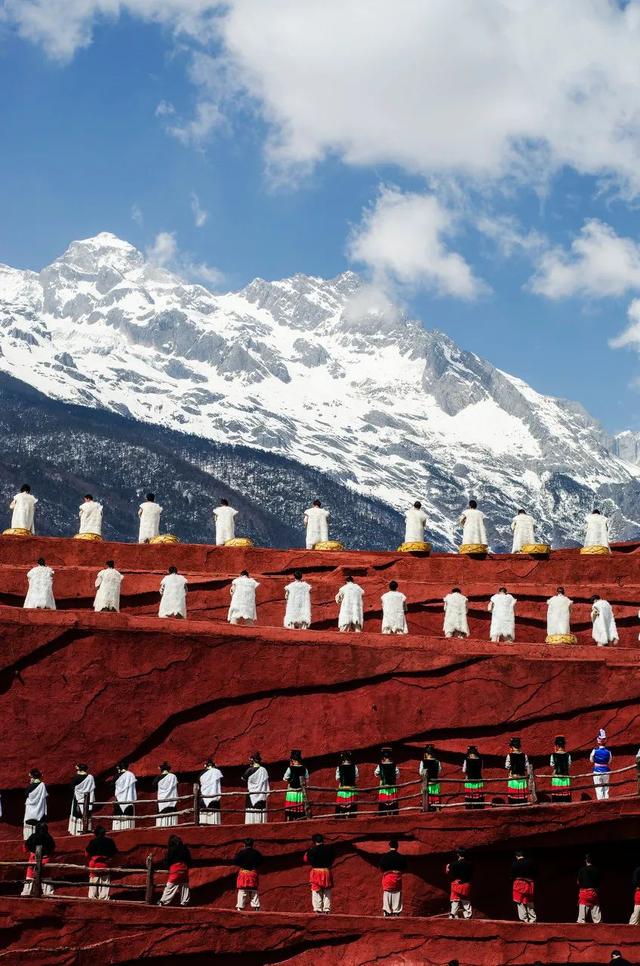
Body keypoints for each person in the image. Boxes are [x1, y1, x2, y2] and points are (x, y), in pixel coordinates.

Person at [21, 822, 55, 897]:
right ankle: (48, 893)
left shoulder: (33, 837)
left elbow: (25, 848)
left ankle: (26, 892)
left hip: (33, 860)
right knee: (46, 876)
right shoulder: (49, 837)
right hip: (45, 861)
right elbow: (52, 849)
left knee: (29, 875)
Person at [304, 833, 335, 914]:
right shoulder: (330, 849)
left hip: (316, 872)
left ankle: (318, 909)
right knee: (327, 890)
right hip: (326, 871)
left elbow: (306, 859)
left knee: (316, 890)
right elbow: (333, 858)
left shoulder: (311, 851)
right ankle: (326, 909)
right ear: (322, 840)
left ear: (314, 841)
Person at [86, 825, 118, 900]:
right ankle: (103, 898)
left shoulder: (93, 842)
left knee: (93, 883)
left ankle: (93, 898)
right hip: (105, 864)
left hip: (94, 865)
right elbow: (115, 852)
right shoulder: (110, 841)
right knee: (105, 883)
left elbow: (87, 853)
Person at [158, 834, 191, 906]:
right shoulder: (185, 849)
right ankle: (184, 902)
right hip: (184, 869)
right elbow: (189, 860)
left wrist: (167, 866)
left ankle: (163, 901)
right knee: (184, 886)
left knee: (170, 887)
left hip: (175, 869)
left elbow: (167, 861)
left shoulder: (171, 849)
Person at [235, 837, 263, 911]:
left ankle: (240, 908)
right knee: (254, 891)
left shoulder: (241, 852)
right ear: (252, 844)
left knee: (242, 891)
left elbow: (236, 861)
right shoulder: (256, 853)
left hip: (243, 874)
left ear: (244, 844)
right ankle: (256, 908)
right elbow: (261, 861)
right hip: (253, 874)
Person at [380, 839, 407, 916]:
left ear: (389, 846)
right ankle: (396, 912)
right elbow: (405, 867)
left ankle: (387, 911)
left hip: (387, 879)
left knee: (387, 893)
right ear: (397, 846)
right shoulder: (401, 857)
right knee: (397, 894)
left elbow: (381, 868)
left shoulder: (384, 857)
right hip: (397, 879)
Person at [241, 752, 270, 824]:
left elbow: (243, 778)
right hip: (261, 795)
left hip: (251, 795)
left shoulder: (249, 770)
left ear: (253, 760)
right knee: (260, 810)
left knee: (252, 810)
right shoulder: (264, 770)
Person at [69, 763, 95, 836]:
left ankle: (77, 831)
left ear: (79, 769)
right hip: (88, 798)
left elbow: (71, 786)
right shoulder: (90, 777)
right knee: (86, 813)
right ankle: (87, 828)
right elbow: (92, 788)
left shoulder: (76, 777)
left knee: (78, 814)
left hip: (77, 798)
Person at [511, 850, 537, 923]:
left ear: (516, 856)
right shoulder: (530, 862)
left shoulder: (514, 864)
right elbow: (535, 872)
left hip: (518, 883)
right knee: (529, 900)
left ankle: (524, 919)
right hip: (529, 883)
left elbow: (512, 875)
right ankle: (532, 918)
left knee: (519, 901)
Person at [447, 848, 473, 919]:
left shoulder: (452, 864)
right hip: (466, 885)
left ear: (458, 854)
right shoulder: (470, 864)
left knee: (455, 899)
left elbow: (448, 872)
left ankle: (452, 915)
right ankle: (468, 915)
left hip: (456, 884)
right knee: (465, 900)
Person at [283, 750, 309, 821]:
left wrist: (290, 781)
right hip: (300, 792)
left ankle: (291, 820)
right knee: (299, 808)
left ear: (293, 760)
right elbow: (306, 780)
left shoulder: (290, 769)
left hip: (292, 792)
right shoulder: (304, 769)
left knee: (291, 810)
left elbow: (285, 778)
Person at [577, 853, 602, 923]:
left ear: (586, 860)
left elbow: (578, 882)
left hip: (584, 894)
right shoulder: (596, 870)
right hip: (593, 894)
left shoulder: (582, 870)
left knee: (581, 920)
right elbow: (598, 883)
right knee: (597, 920)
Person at [24, 769, 47, 840]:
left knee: (30, 824)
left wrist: (31, 784)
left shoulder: (30, 786)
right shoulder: (43, 785)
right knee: (39, 823)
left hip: (30, 809)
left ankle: (29, 839)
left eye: (31, 777)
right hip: (40, 808)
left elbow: (26, 794)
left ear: (33, 777)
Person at [375, 747, 399, 816]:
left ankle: (383, 814)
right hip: (392, 787)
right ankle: (393, 814)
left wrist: (381, 776)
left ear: (383, 757)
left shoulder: (380, 766)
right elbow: (397, 775)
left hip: (383, 787)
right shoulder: (394, 766)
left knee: (383, 803)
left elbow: (376, 774)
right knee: (392, 803)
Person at [113, 762, 137, 831]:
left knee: (118, 817)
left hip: (118, 800)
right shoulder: (131, 775)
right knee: (128, 820)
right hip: (129, 799)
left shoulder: (116, 776)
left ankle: (117, 829)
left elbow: (111, 785)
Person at [505, 737, 529, 805]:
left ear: (512, 746)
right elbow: (526, 766)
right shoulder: (525, 756)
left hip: (513, 779)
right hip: (522, 779)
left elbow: (507, 766)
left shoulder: (509, 756)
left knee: (513, 799)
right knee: (522, 799)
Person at [199, 758, 223, 825]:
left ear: (205, 765)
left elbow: (199, 784)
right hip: (214, 797)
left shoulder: (201, 773)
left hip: (204, 797)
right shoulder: (217, 772)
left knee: (204, 820)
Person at [590, 729, 612, 800]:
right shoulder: (608, 752)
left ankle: (600, 803)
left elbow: (591, 760)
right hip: (606, 771)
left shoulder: (594, 751)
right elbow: (609, 761)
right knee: (606, 788)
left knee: (599, 788)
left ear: (598, 740)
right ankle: (607, 801)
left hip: (597, 771)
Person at [335, 751, 359, 817]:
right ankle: (352, 818)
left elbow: (337, 778)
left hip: (343, 789)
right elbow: (356, 778)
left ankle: (342, 818)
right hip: (352, 789)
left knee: (342, 807)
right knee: (352, 807)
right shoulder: (355, 767)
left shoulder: (339, 767)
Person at [155, 762, 179, 827]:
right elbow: (176, 785)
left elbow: (154, 784)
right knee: (171, 816)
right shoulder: (173, 776)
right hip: (171, 800)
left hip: (161, 800)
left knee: (162, 815)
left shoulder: (158, 778)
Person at [550, 736, 572, 803]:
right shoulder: (568, 755)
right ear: (564, 745)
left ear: (556, 745)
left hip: (557, 778)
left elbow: (552, 765)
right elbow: (569, 766)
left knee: (557, 797)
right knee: (565, 797)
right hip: (565, 778)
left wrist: (555, 752)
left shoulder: (553, 755)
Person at [420, 745, 442, 810]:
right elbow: (439, 771)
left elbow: (421, 772)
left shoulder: (423, 762)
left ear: (426, 754)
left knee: (426, 804)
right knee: (435, 804)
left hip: (427, 785)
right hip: (435, 785)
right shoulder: (437, 762)